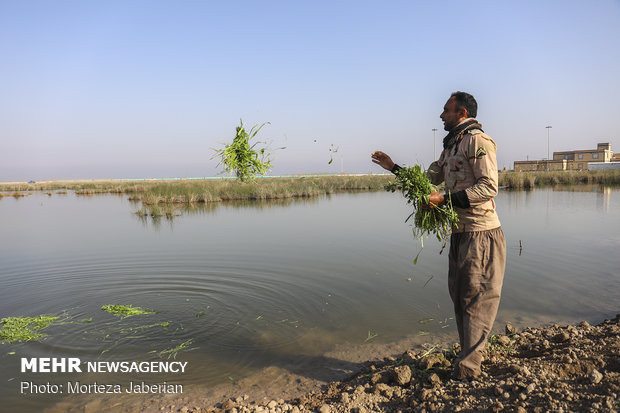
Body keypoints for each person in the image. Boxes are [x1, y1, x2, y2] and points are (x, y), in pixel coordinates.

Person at [371, 91, 506, 380]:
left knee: (476, 297)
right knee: (459, 295)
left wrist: (444, 200)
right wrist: (393, 167)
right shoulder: (451, 147)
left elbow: (488, 188)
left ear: (462, 113)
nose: (441, 115)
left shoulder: (478, 142)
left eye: (446, 110)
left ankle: (469, 369)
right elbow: (427, 181)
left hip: (481, 233)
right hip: (460, 233)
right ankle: (467, 356)